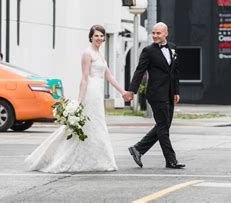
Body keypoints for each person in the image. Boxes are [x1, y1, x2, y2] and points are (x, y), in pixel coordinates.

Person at [25, 25, 130, 173]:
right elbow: (84, 78)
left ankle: (100, 160)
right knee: (90, 125)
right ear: (91, 37)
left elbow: (109, 76)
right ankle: (98, 160)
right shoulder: (87, 53)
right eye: (96, 36)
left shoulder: (100, 54)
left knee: (97, 125)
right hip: (91, 92)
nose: (99, 38)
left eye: (101, 36)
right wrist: (79, 101)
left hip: (98, 92)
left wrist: (122, 91)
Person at [123, 22, 185, 169]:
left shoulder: (173, 48)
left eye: (158, 33)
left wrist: (176, 91)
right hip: (156, 94)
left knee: (163, 126)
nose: (155, 36)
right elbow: (139, 71)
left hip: (169, 93)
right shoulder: (148, 51)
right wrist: (131, 91)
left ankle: (138, 149)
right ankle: (171, 160)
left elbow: (175, 72)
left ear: (166, 33)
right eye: (153, 33)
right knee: (163, 128)